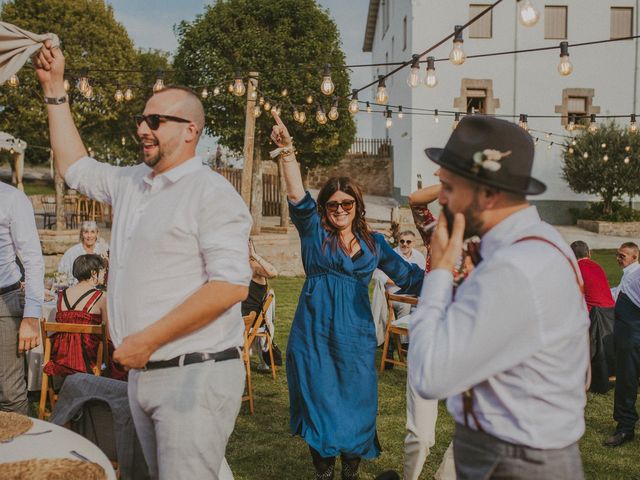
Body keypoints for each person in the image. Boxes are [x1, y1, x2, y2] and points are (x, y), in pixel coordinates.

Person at [35, 41, 252, 479]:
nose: (142, 129)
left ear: (190, 130)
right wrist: (55, 89)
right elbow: (74, 166)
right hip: (143, 371)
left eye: (155, 120)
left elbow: (230, 285)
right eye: (141, 119)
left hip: (194, 373)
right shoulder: (131, 182)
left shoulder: (212, 194)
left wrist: (147, 339)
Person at [408, 115, 589, 479]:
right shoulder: (543, 241)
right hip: (514, 446)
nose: (440, 199)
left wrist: (441, 270)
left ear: (489, 193)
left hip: (515, 460)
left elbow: (429, 375)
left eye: (448, 186)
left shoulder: (516, 268)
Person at [270, 110, 424, 480]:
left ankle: (350, 472)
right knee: (320, 401)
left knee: (358, 403)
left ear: (357, 206)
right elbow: (296, 196)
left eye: (347, 204)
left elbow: (410, 277)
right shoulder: (313, 233)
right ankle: (324, 472)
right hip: (315, 334)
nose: (340, 210)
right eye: (333, 204)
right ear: (325, 208)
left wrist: (452, 273)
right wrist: (288, 151)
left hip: (355, 336)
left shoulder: (375, 244)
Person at [44, 254, 126, 380]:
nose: (104, 273)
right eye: (102, 270)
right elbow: (108, 335)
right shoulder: (101, 297)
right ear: (94, 273)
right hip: (88, 356)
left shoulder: (61, 295)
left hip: (62, 356)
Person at [0, 181, 44, 414]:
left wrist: (31, 315)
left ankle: (19, 450)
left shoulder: (11, 198)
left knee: (9, 393)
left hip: (4, 303)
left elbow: (33, 258)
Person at [604, 242, 640, 447]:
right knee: (625, 383)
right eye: (617, 254)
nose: (618, 258)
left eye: (623, 255)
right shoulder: (629, 274)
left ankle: (626, 428)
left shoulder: (637, 274)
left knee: (626, 383)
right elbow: (618, 292)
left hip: (633, 338)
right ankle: (625, 428)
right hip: (627, 339)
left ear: (635, 257)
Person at [570, 241, 616, 393]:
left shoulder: (574, 269)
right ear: (589, 253)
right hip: (610, 313)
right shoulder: (597, 266)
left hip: (594, 315)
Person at [241, 239, 282, 371]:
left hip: (248, 319)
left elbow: (273, 273)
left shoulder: (254, 267)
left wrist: (255, 255)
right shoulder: (240, 267)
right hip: (244, 316)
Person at [57, 220, 109, 286]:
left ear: (97, 234)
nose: (89, 236)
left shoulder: (103, 248)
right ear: (82, 234)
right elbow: (61, 273)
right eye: (86, 232)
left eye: (92, 232)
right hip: (77, 287)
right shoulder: (72, 252)